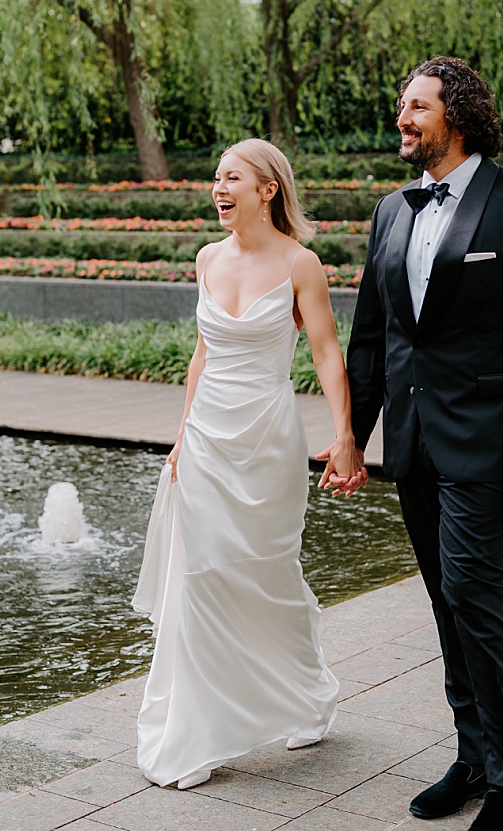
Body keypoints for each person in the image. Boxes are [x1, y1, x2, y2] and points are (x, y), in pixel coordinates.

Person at [342, 57, 503, 831]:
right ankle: (472, 756)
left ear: (459, 114)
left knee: (474, 593)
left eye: (417, 106)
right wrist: (352, 437)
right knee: (447, 605)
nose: (403, 118)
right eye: (401, 105)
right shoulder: (391, 210)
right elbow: (373, 340)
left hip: (489, 445)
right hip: (412, 445)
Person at [133, 138, 355, 789]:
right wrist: (180, 436)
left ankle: (310, 692)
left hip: (267, 441)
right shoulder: (206, 257)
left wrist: (343, 435)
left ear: (268, 189)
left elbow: (324, 352)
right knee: (200, 576)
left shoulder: (300, 263)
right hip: (206, 442)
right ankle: (198, 738)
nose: (218, 187)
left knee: (269, 577)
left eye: (232, 177)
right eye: (216, 178)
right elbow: (202, 355)